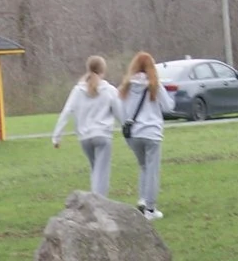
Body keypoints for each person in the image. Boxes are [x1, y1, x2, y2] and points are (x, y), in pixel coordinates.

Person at [51, 55, 122, 196]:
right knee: (102, 172)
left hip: (84, 137)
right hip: (103, 135)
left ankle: (94, 200)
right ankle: (99, 202)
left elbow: (67, 111)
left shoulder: (78, 90)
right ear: (103, 71)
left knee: (95, 169)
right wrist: (127, 127)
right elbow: (120, 113)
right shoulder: (109, 90)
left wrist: (56, 137)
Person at [120, 51, 169, 219]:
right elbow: (169, 106)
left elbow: (121, 109)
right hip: (152, 132)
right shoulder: (155, 85)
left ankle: (142, 199)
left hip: (133, 133)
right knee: (152, 170)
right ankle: (151, 209)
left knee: (143, 166)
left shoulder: (127, 86)